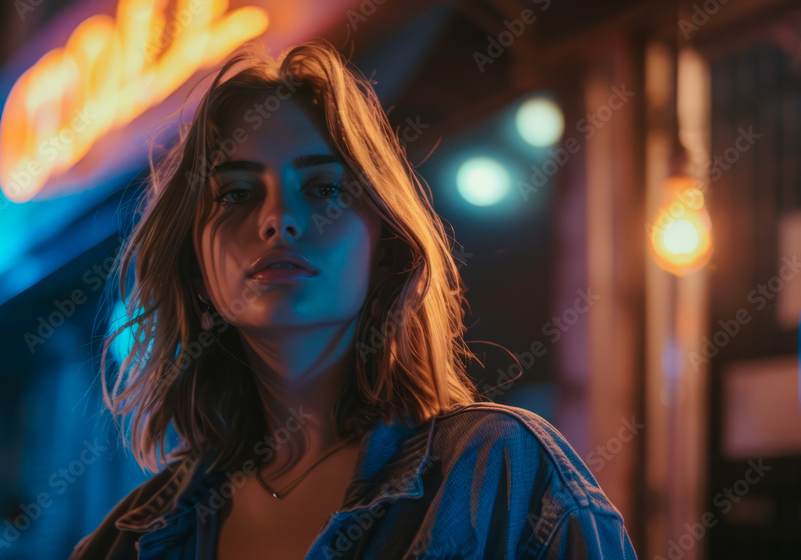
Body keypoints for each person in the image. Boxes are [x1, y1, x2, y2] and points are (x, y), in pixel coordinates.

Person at [70, 39, 638, 559]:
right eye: (237, 193)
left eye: (323, 189)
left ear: (385, 247)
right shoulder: (123, 541)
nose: (278, 220)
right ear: (194, 269)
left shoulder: (500, 475)